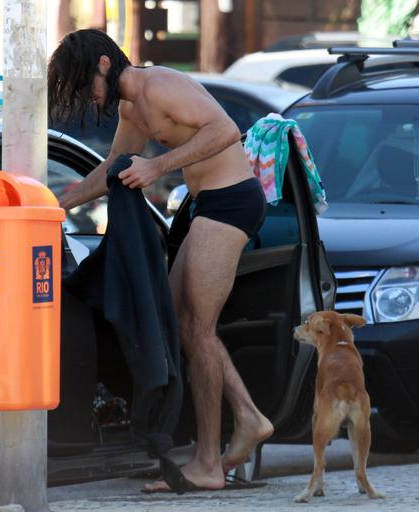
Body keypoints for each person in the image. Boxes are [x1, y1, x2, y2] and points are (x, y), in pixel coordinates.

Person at [48, 29, 274, 491]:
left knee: (198, 329)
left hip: (232, 200)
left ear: (104, 66)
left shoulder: (159, 86)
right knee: (176, 321)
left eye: (84, 84)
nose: (89, 98)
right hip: (205, 205)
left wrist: (157, 166)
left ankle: (209, 460)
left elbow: (227, 130)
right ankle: (249, 418)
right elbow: (113, 166)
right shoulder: (132, 106)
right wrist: (57, 201)